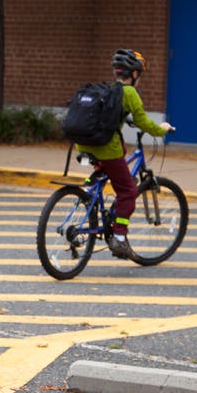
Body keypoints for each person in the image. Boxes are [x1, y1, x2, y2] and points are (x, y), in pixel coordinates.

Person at [75, 49, 173, 260]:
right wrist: (161, 129)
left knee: (119, 153)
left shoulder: (108, 90)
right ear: (134, 74)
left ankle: (92, 186)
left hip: (83, 145)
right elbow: (143, 121)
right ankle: (120, 237)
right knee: (128, 190)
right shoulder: (130, 93)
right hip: (106, 149)